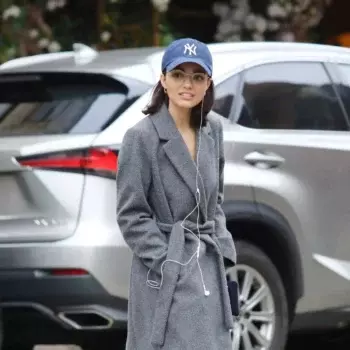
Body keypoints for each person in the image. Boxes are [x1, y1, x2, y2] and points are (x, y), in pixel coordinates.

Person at [116, 38, 237, 350]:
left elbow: (216, 201)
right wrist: (170, 263)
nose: (188, 84)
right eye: (179, 74)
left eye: (198, 76)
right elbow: (131, 215)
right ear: (163, 80)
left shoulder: (213, 131)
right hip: (165, 271)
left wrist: (222, 251)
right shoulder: (140, 138)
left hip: (208, 267)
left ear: (208, 83)